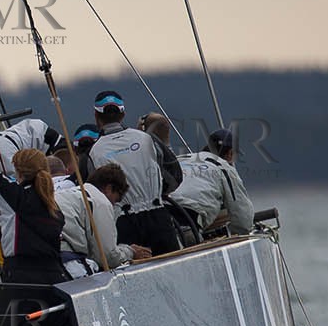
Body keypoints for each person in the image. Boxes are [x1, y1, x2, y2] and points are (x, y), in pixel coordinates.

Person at [0, 116, 65, 286]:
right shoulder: (53, 204)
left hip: (22, 279)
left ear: (18, 173)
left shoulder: (16, 197)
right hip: (55, 276)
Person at [87, 90, 181, 255]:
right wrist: (157, 192)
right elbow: (175, 177)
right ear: (123, 114)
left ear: (96, 116)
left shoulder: (93, 153)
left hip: (123, 224)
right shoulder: (147, 139)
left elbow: (93, 198)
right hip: (158, 219)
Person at [52, 157, 150, 277]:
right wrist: (131, 251)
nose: (114, 205)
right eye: (116, 199)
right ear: (109, 189)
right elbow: (107, 257)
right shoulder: (99, 201)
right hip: (66, 262)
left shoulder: (71, 195)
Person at [170, 128, 254, 239]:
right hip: (187, 220)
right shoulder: (224, 168)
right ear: (230, 153)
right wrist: (231, 234)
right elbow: (243, 219)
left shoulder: (179, 159)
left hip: (157, 215)